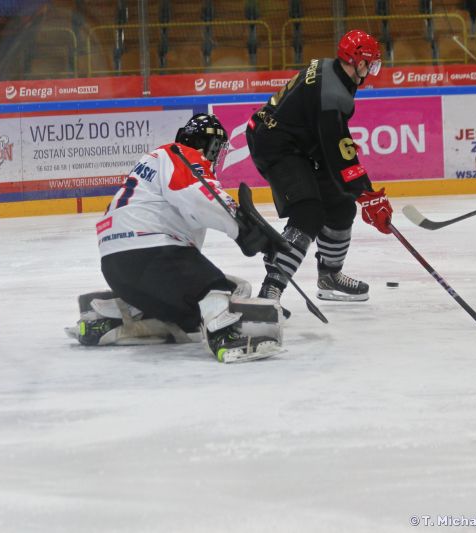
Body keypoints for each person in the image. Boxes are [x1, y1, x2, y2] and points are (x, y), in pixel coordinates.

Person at [68, 113, 285, 364]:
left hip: (114, 265)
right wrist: (242, 229)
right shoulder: (182, 154)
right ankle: (225, 336)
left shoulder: (153, 163)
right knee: (222, 288)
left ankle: (110, 319)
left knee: (190, 319)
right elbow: (199, 196)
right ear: (210, 145)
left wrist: (246, 230)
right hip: (151, 252)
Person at [244, 29, 393, 304]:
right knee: (308, 212)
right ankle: (270, 290)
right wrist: (368, 194)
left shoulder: (331, 69)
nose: (371, 71)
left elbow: (332, 140)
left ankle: (329, 276)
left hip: (296, 140)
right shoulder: (333, 94)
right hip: (275, 144)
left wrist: (359, 193)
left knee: (341, 204)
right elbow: (339, 154)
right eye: (370, 65)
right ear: (359, 62)